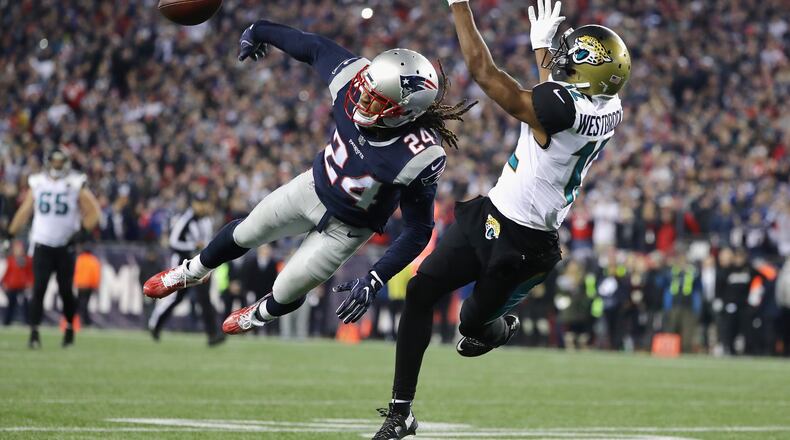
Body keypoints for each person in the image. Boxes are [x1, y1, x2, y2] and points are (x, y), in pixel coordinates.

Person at [372, 0, 631, 437]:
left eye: (576, 57)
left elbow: (485, 73)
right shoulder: (609, 103)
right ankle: (401, 412)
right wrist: (542, 50)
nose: (565, 59)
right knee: (420, 290)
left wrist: (459, 6)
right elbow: (559, 94)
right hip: (492, 213)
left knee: (472, 326)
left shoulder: (565, 111)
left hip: (525, 246)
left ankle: (498, 329)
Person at [143, 19, 475, 336]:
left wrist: (376, 277)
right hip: (312, 187)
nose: (362, 97)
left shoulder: (419, 155)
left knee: (285, 289)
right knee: (247, 231)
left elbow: (419, 229)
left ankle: (260, 314)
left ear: (403, 112)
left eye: (376, 99)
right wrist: (259, 30)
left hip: (347, 231)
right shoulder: (353, 78)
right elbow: (312, 47)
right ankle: (190, 272)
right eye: (366, 88)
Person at [7, 149, 101, 348]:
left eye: (60, 162)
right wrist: (11, 232)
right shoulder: (38, 182)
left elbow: (94, 212)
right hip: (42, 243)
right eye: (54, 162)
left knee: (66, 290)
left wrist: (81, 232)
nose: (57, 166)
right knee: (38, 289)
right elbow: (25, 210)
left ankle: (69, 328)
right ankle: (34, 333)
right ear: (48, 162)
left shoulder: (75, 182)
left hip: (65, 246)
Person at [147, 193, 225, 346]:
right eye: (199, 203)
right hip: (182, 265)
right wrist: (193, 246)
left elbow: (208, 242)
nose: (201, 206)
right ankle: (155, 324)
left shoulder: (207, 220)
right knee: (175, 298)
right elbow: (173, 242)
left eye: (204, 203)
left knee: (205, 298)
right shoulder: (185, 220)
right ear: (193, 204)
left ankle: (213, 334)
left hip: (201, 265)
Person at [2, 240, 33, 326]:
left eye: (20, 248)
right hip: (12, 286)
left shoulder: (28, 259)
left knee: (26, 304)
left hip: (24, 286)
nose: (19, 250)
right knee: (11, 304)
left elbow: (30, 273)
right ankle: (7, 322)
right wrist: (4, 282)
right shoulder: (11, 259)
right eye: (17, 248)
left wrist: (30, 282)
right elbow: (8, 272)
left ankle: (27, 321)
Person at [73, 243, 101, 326]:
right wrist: (96, 286)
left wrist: (76, 282)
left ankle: (83, 319)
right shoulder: (93, 260)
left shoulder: (79, 259)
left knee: (81, 302)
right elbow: (96, 274)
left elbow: (75, 271)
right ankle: (85, 320)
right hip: (88, 285)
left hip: (80, 285)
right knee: (84, 303)